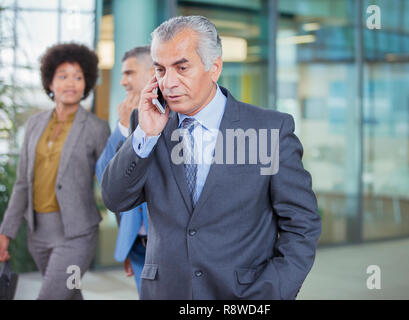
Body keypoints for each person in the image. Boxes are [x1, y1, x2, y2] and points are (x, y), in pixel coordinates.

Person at [101, 16, 321, 300]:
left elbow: (302, 224)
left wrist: (274, 291)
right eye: (160, 70)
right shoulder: (145, 124)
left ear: (214, 67)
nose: (168, 82)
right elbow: (114, 198)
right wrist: (146, 136)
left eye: (182, 67)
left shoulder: (270, 130)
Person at [0, 43, 110, 300]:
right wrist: (6, 233)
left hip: (76, 235)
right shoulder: (34, 124)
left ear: (87, 83)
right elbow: (22, 185)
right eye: (63, 75)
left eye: (78, 76)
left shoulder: (96, 128)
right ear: (50, 82)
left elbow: (111, 180)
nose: (70, 83)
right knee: (68, 294)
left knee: (52, 295)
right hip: (38, 234)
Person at [95, 46, 152, 293]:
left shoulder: (177, 114)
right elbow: (103, 174)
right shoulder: (124, 116)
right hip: (137, 243)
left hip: (170, 245)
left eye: (129, 73)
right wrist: (123, 126)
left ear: (153, 73)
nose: (122, 81)